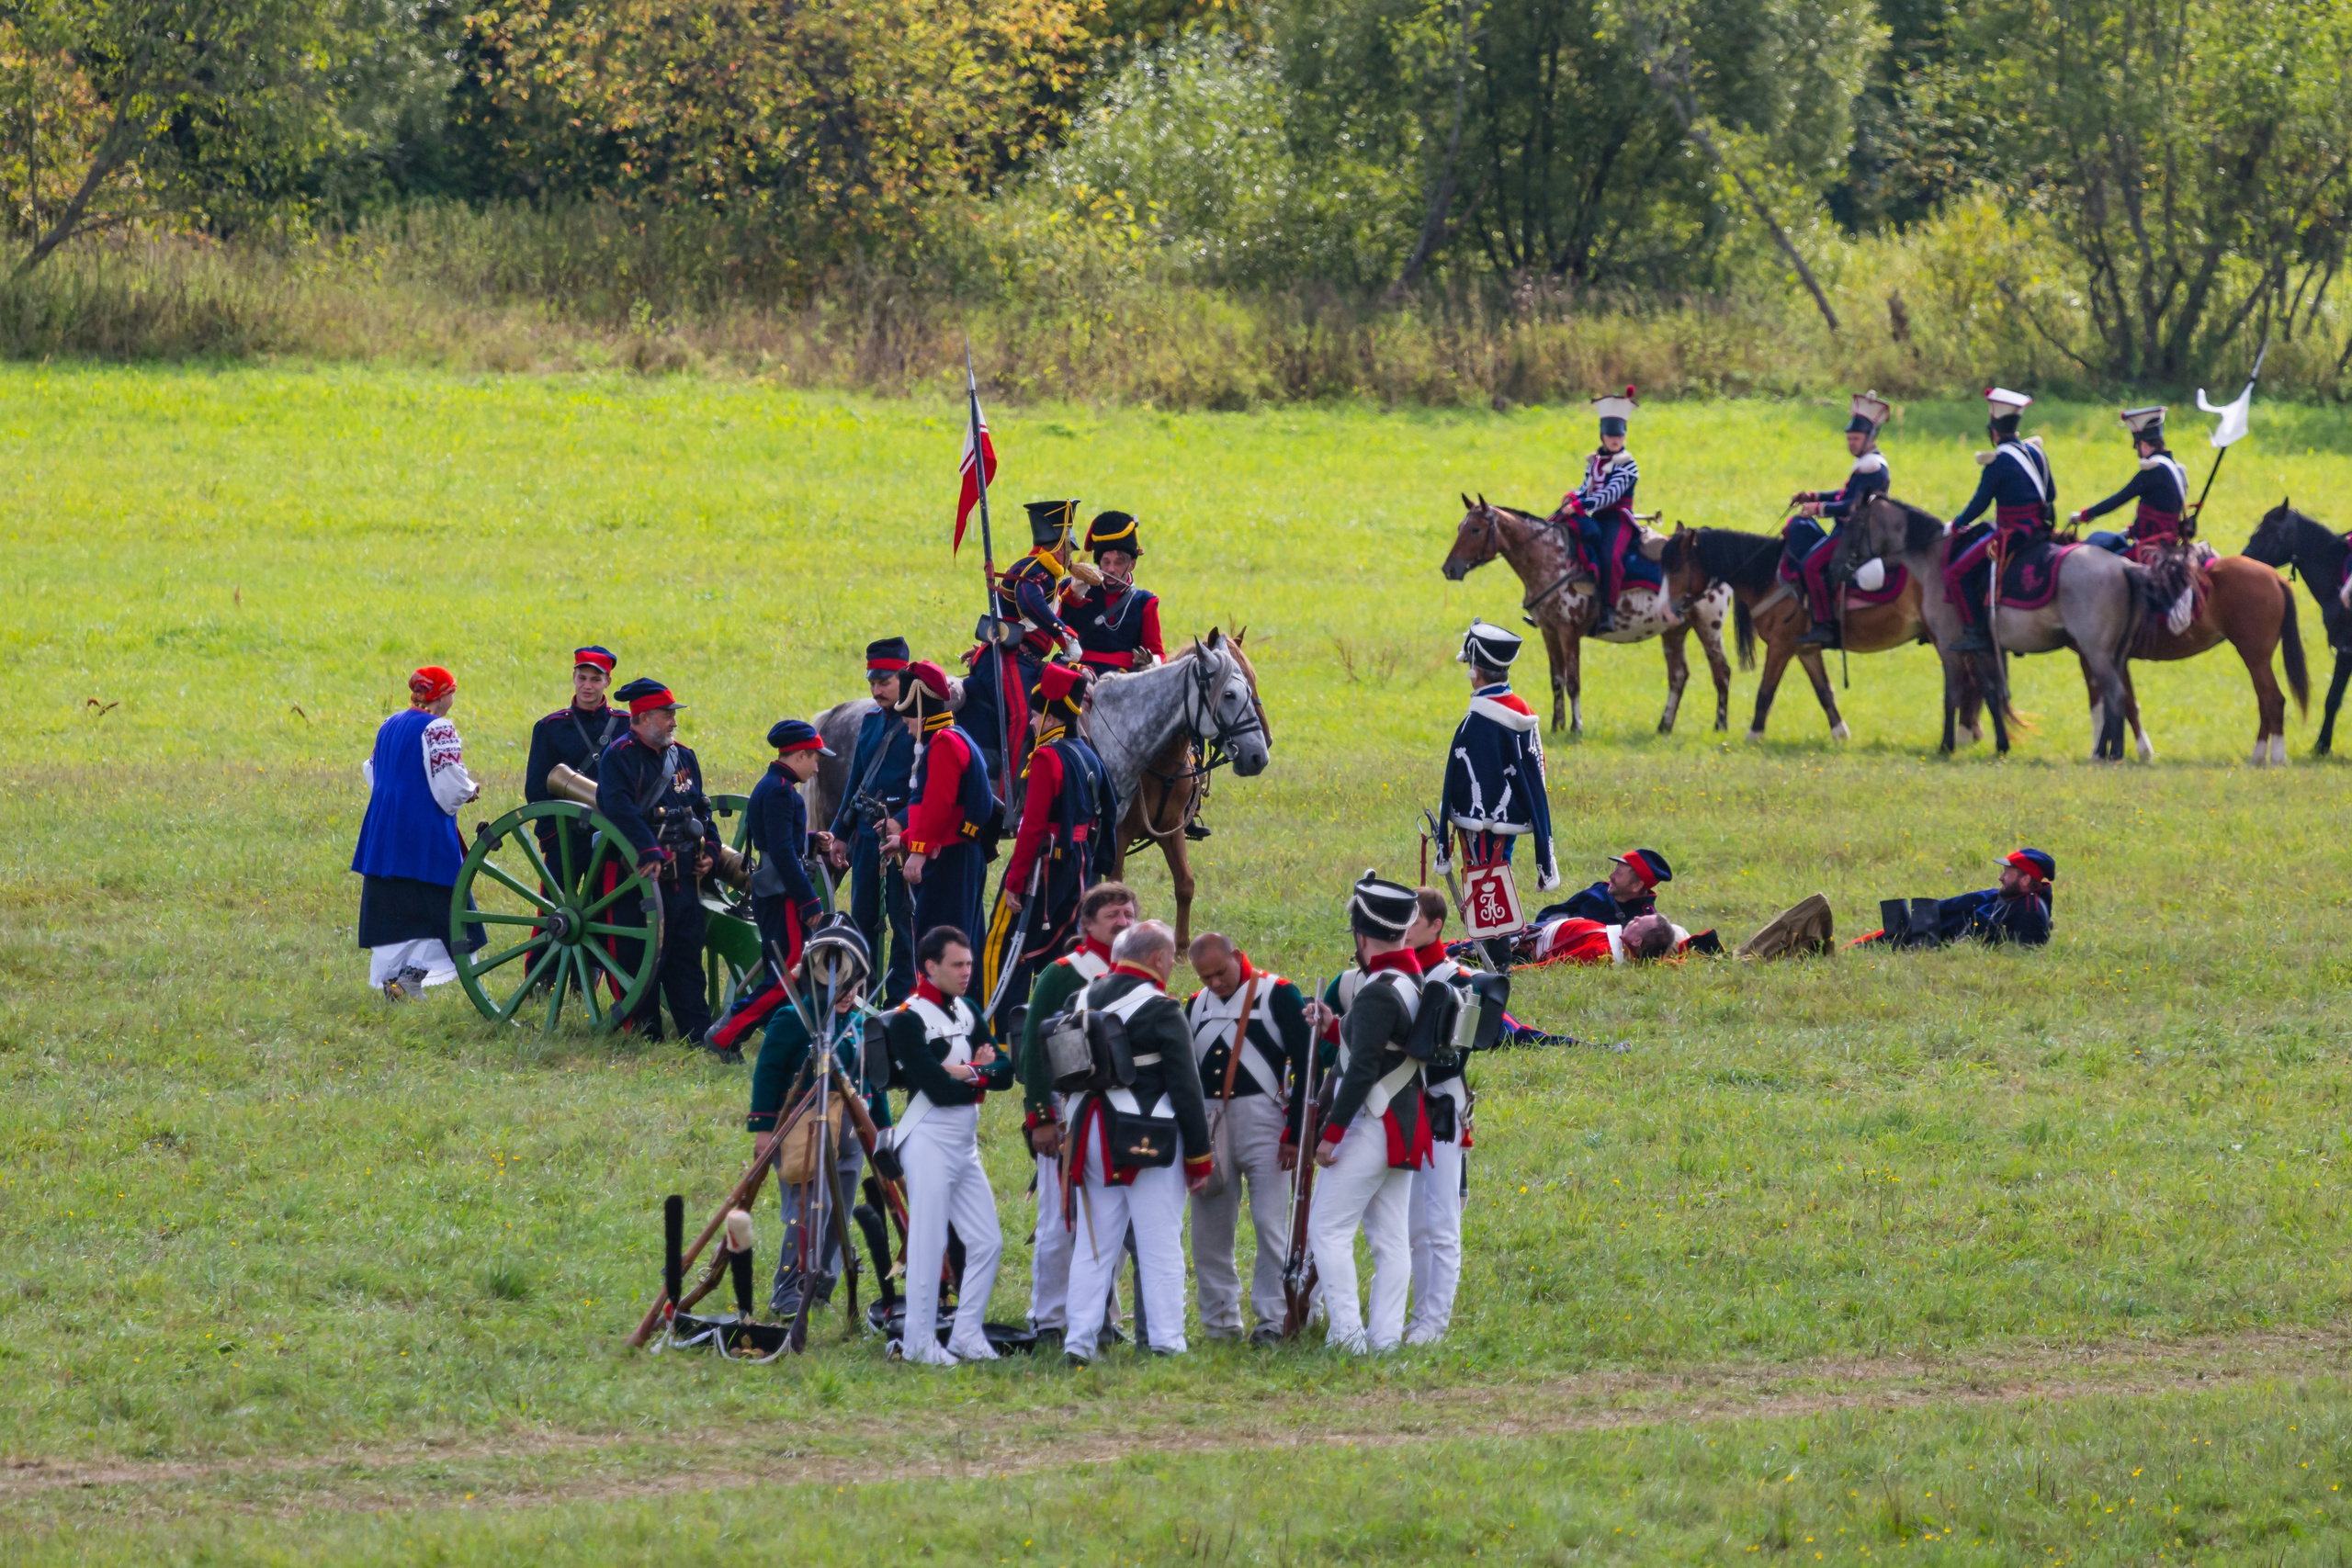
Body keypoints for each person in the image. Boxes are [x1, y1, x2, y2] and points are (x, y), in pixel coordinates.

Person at [1059, 919, 1214, 1365]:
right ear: (1159, 959)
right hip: (1151, 1136)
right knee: (1159, 1241)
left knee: (1094, 1245)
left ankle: (1079, 1343)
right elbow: (1187, 1086)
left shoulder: (1080, 998)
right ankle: (1167, 1342)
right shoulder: (1163, 1008)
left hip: (1089, 1131)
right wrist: (1200, 1157)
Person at [1304, 873, 1431, 1355]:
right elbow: (1378, 1046)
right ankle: (1384, 1341)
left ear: (1362, 935)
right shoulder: (1407, 977)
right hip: (1399, 1121)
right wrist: (1334, 1025)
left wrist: (1331, 1134)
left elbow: (1361, 1070)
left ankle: (1348, 1337)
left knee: (1328, 1230)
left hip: (1372, 1121)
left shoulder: (1378, 988)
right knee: (1388, 1238)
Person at [882, 926, 1012, 1365]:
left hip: (963, 1142)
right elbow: (938, 1090)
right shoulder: (907, 1018)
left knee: (988, 1241)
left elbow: (1008, 1073)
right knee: (928, 1240)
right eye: (957, 965)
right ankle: (919, 1341)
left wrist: (970, 1074)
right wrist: (980, 1073)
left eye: (969, 964)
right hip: (928, 1139)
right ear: (930, 967)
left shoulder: (968, 1009)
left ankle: (966, 1333)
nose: (966, 972)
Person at [746, 918, 888, 1316]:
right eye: (840, 985)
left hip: (849, 1137)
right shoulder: (794, 1017)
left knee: (838, 1212)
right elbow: (769, 1072)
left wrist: (883, 1130)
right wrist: (762, 1129)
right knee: (806, 1212)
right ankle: (788, 1289)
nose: (847, 994)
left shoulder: (860, 1023)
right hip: (801, 1132)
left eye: (853, 985)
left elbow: (871, 1082)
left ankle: (821, 1284)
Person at [1017, 882, 1136, 1341]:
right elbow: (1034, 1050)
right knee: (1060, 1222)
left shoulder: (1140, 972)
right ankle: (1049, 1318)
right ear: (1087, 924)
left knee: (1112, 1222)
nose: (1123, 923)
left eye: (1129, 915)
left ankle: (1098, 1316)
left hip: (1122, 1115)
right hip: (1068, 1113)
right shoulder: (1063, 974)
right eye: (1113, 916)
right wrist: (1041, 1118)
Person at [1183, 930, 1310, 1344]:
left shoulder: (1278, 994)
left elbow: (1308, 1064)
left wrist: (1294, 1132)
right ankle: (1220, 1321)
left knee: (1270, 1224)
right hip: (1210, 1119)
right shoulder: (1194, 1006)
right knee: (1208, 1230)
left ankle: (1274, 1319)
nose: (1215, 984)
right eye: (1206, 978)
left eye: (1221, 972)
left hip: (1265, 1118)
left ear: (1238, 956)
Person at [981, 660, 1118, 1032]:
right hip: (1079, 866)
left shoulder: (1047, 758)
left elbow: (1032, 828)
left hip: (1046, 866)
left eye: (1037, 713)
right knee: (1063, 948)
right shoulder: (1088, 752)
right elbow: (1110, 810)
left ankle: (1000, 1035)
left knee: (1002, 943)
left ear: (1054, 718)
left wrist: (1014, 881)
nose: (1029, 721)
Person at [597, 677, 721, 1044]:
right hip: (636, 879)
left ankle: (696, 1033)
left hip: (683, 876)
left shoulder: (683, 756)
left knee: (686, 956)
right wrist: (647, 849)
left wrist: (712, 850)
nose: (673, 722)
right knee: (640, 958)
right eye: (667, 715)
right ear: (643, 717)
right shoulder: (619, 757)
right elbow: (616, 808)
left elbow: (702, 808)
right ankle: (645, 1032)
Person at [703, 718, 834, 1060]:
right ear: (800, 756)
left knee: (787, 973)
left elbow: (781, 841)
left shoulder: (776, 785)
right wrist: (809, 900)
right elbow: (780, 851)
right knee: (787, 975)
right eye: (816, 759)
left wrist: (810, 840)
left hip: (777, 892)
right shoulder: (778, 791)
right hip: (782, 896)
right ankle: (726, 1033)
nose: (818, 767)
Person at [352, 666, 483, 998]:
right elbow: (450, 782)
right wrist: (470, 790)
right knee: (449, 908)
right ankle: (410, 977)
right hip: (423, 831)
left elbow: (372, 769)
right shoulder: (439, 728)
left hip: (385, 829)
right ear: (443, 696)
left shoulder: (389, 724)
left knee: (395, 905)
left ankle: (395, 980)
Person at [1440, 620, 1559, 910]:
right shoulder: (1522, 708)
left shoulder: (1480, 723)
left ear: (1475, 672)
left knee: (1485, 877)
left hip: (1483, 819)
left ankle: (1496, 946)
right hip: (1511, 812)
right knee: (1498, 864)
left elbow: (1469, 777)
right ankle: (1497, 942)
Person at [964, 500, 1081, 784]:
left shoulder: (1046, 573)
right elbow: (1028, 602)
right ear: (1060, 545)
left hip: (1028, 661)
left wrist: (1072, 593)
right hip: (1009, 658)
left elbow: (1045, 603)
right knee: (1023, 719)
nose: (1071, 557)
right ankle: (1010, 797)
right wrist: (1064, 634)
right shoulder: (1036, 568)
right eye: (1069, 549)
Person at [827, 637, 918, 1005]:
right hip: (867, 836)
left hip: (903, 840)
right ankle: (860, 998)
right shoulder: (869, 722)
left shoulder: (920, 725)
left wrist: (903, 821)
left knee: (903, 923)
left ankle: (899, 1000)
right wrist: (840, 832)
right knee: (862, 919)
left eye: (885, 682)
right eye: (873, 683)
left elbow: (929, 786)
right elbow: (857, 781)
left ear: (904, 678)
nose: (877, 690)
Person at [1401, 889, 1473, 1346]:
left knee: (1439, 1221)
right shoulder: (1389, 971)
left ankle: (1432, 1323)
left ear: (1435, 926)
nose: (1403, 926)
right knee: (1406, 1224)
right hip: (1397, 1105)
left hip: (1439, 1102)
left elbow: (1456, 1055)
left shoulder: (1458, 977)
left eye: (1412, 919)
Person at [885, 660, 994, 959]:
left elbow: (937, 804)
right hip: (955, 852)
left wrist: (917, 852)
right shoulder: (955, 735)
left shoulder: (944, 743)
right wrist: (905, 839)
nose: (908, 730)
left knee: (942, 946)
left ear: (920, 712)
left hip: (950, 857)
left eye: (908, 721)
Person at [1946, 387, 2056, 654]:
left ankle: (1975, 634)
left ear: (1994, 431)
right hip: (2040, 531)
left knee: (1956, 574)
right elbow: (2050, 493)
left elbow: (1980, 503)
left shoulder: (1998, 462)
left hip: (2013, 535)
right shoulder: (2037, 454)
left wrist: (1957, 523)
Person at [1785, 392, 1894, 649]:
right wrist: (1813, 495)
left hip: (1855, 535)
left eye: (1855, 439)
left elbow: (1851, 505)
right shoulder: (1866, 465)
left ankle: (1824, 625)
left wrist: (1817, 509)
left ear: (1870, 438)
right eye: (1849, 439)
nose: (1851, 444)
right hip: (1850, 531)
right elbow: (1844, 494)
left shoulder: (1871, 466)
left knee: (1811, 565)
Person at [522, 645, 626, 881]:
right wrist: (551, 836)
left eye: (595, 679)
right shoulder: (551, 728)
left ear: (608, 681)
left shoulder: (624, 726)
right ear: (574, 677)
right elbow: (537, 788)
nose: (587, 686)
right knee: (554, 907)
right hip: (565, 834)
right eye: (582, 678)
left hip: (611, 834)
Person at [1552, 387, 1650, 634]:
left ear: (1625, 436)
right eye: (1610, 435)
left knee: (1610, 556)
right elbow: (1587, 488)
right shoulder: (1595, 462)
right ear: (1603, 435)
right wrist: (1571, 498)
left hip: (1618, 520)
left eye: (1619, 435)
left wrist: (1580, 505)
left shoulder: (1628, 466)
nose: (1615, 439)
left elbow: (1609, 495)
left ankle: (1608, 610)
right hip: (1595, 517)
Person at [1859, 849, 2055, 948]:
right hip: (1933, 941)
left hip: (1936, 948)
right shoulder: (2007, 895)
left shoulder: (2031, 911)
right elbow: (1955, 904)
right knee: (1907, 922)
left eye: (2008, 873)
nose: (2001, 877)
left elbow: (2024, 952)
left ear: (2026, 879)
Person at [2073, 407, 2189, 558]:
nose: (2136, 450)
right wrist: (2132, 531)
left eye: (2137, 445)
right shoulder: (2175, 469)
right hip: (2167, 545)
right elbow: (2163, 506)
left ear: (2144, 445)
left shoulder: (2153, 471)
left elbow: (2118, 499)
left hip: (2149, 550)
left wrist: (2084, 516)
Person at [1068, 512, 1165, 673]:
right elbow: (1055, 626)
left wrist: (1150, 663)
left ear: (1132, 565)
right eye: (1106, 562)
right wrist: (1071, 596)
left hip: (1125, 679)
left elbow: (1158, 654)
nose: (1111, 569)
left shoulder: (1144, 602)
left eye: (1118, 563)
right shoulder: (1077, 588)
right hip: (1081, 672)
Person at [1539, 848, 1671, 927]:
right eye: (1615, 870)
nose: (1611, 876)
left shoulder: (1645, 922)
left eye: (1619, 873)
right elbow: (1558, 911)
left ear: (1637, 886)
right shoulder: (1600, 890)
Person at [1509, 911, 1691, 966]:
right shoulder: (1623, 947)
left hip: (1525, 947)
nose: (1634, 918)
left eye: (1639, 922)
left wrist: (1513, 971)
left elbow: (1552, 966)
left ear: (1637, 941)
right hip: (1535, 932)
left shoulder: (1602, 952)